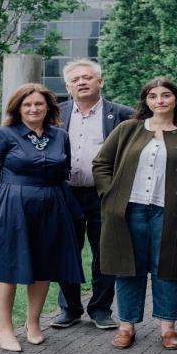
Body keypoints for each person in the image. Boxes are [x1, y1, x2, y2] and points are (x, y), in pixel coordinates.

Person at [92, 77, 177, 349]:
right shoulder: (128, 129)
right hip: (129, 211)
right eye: (153, 96)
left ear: (176, 99)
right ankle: (126, 326)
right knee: (127, 268)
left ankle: (167, 328)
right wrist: (110, 194)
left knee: (168, 269)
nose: (159, 101)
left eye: (165, 95)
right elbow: (101, 164)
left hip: (171, 212)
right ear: (146, 101)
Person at [0, 83, 84, 351]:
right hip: (12, 207)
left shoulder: (59, 135)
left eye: (39, 104)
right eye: (27, 104)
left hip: (52, 205)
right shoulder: (4, 134)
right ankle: (4, 327)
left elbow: (63, 170)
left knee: (44, 266)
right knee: (7, 267)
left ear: (48, 107)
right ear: (17, 108)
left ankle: (33, 323)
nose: (33, 108)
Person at [50, 59, 134, 330]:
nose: (82, 83)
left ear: (100, 82)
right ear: (68, 86)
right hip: (66, 194)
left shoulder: (122, 114)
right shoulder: (56, 114)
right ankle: (69, 308)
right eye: (75, 80)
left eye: (87, 77)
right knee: (66, 251)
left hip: (104, 195)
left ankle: (100, 308)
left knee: (104, 252)